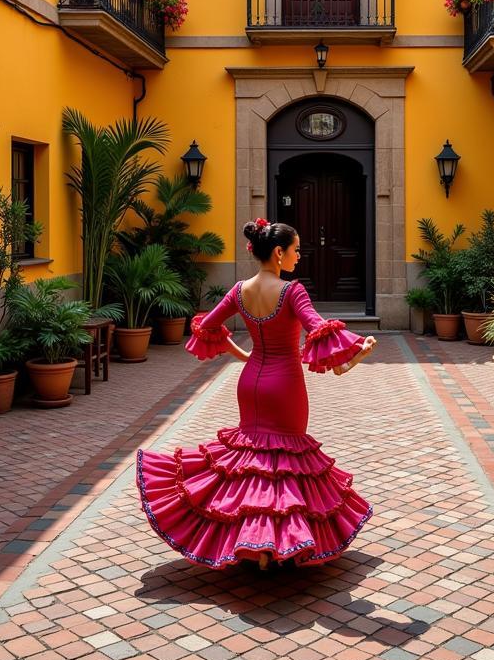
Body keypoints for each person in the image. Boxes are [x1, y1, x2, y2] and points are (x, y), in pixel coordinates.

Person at [136, 218, 377, 569]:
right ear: (278, 253)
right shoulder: (293, 291)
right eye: (296, 250)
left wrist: (245, 355)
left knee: (252, 462)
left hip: (250, 382)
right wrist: (360, 351)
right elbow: (318, 331)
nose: (299, 256)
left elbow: (206, 326)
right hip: (285, 385)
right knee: (284, 464)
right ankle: (277, 547)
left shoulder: (238, 290)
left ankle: (258, 546)